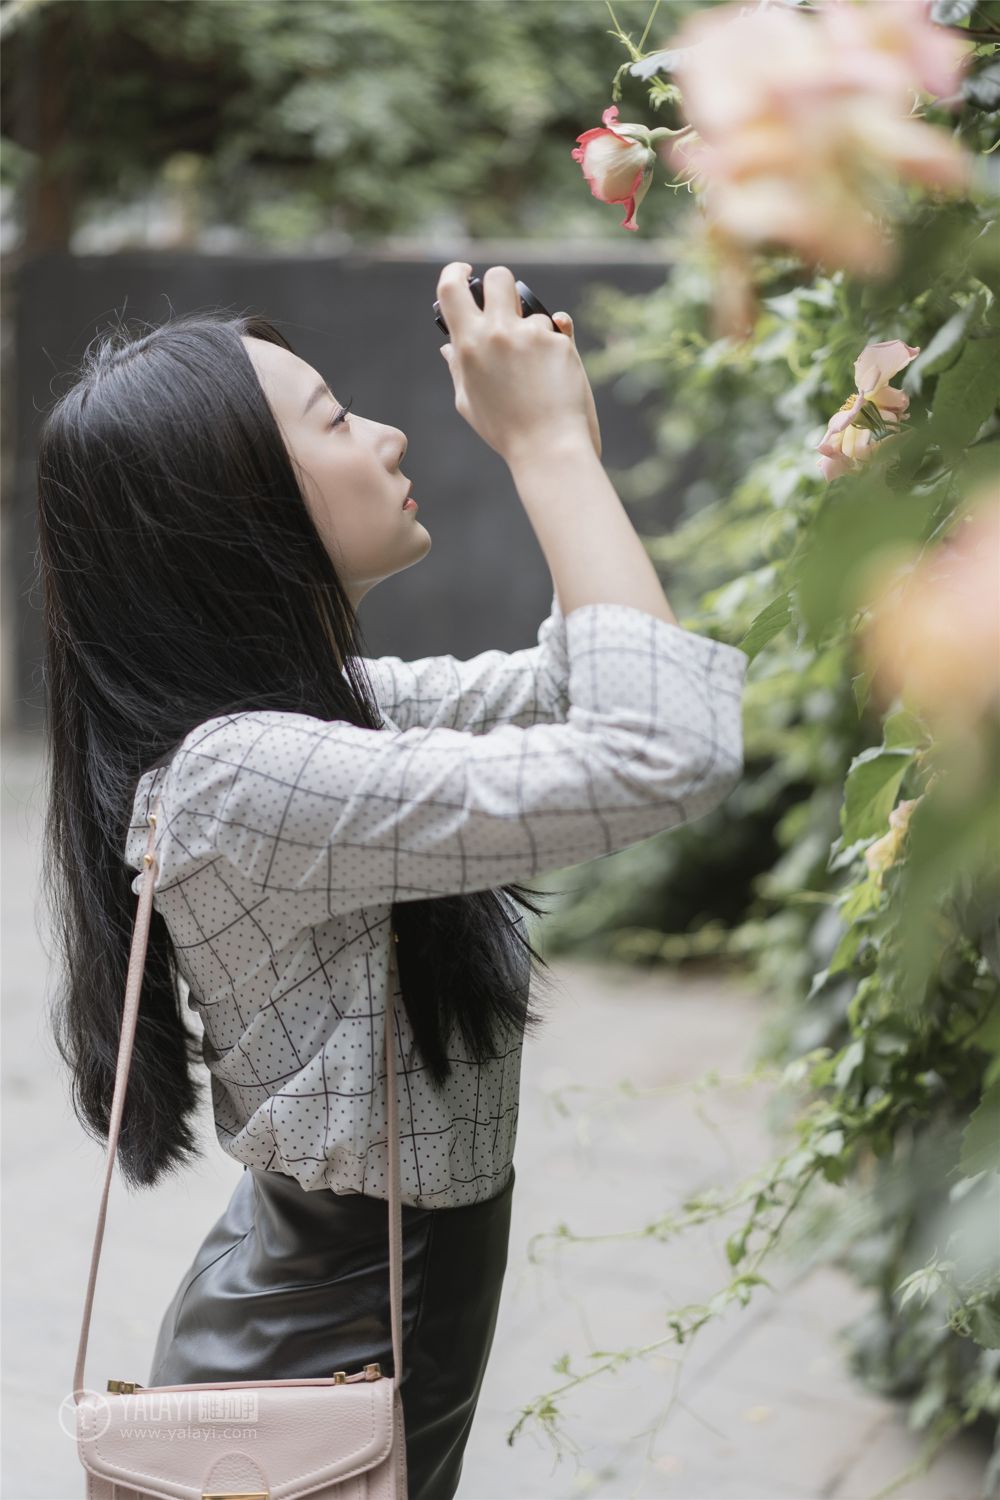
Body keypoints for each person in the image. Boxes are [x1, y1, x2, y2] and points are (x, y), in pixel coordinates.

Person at [38, 262, 747, 1499]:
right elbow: (663, 752)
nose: (388, 431)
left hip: (340, 1354)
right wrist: (550, 451)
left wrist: (553, 438)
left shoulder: (331, 725)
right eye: (333, 418)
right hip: (309, 1385)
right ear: (236, 513)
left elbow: (613, 687)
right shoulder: (242, 781)